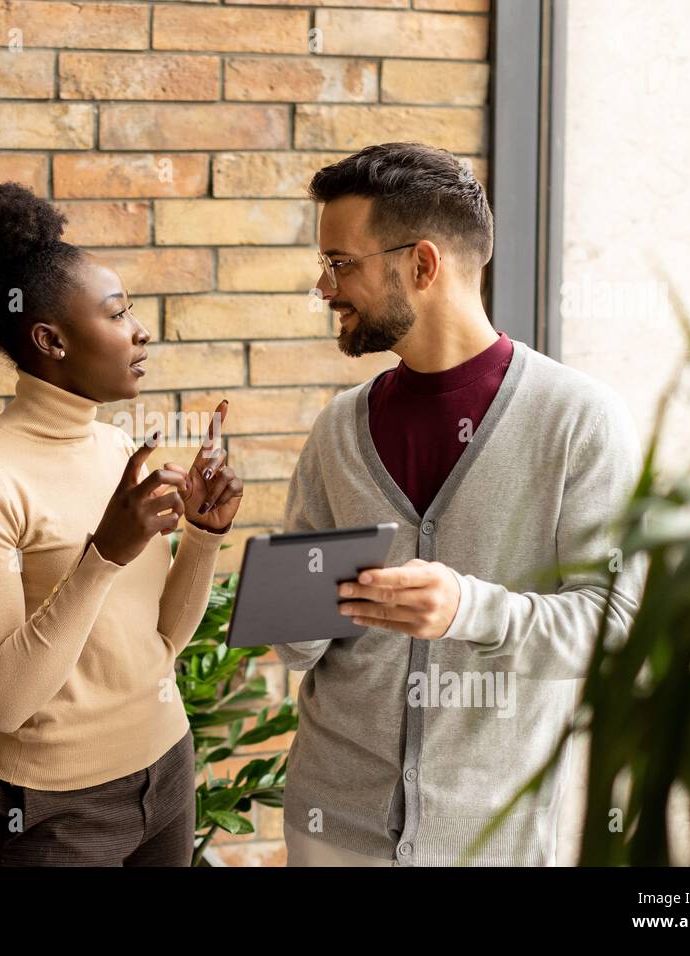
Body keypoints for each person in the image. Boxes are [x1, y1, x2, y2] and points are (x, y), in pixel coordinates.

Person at [278, 142, 649, 866]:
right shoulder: (339, 428)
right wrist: (277, 595)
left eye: (341, 262)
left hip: (492, 840)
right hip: (331, 826)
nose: (324, 286)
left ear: (421, 265)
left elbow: (619, 623)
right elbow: (298, 647)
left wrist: (469, 611)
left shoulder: (578, 421)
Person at [0, 181, 243, 866]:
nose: (141, 330)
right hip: (53, 812)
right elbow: (4, 703)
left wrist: (204, 537)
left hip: (166, 769)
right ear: (51, 339)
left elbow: (160, 648)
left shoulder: (117, 453)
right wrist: (102, 556)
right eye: (118, 313)